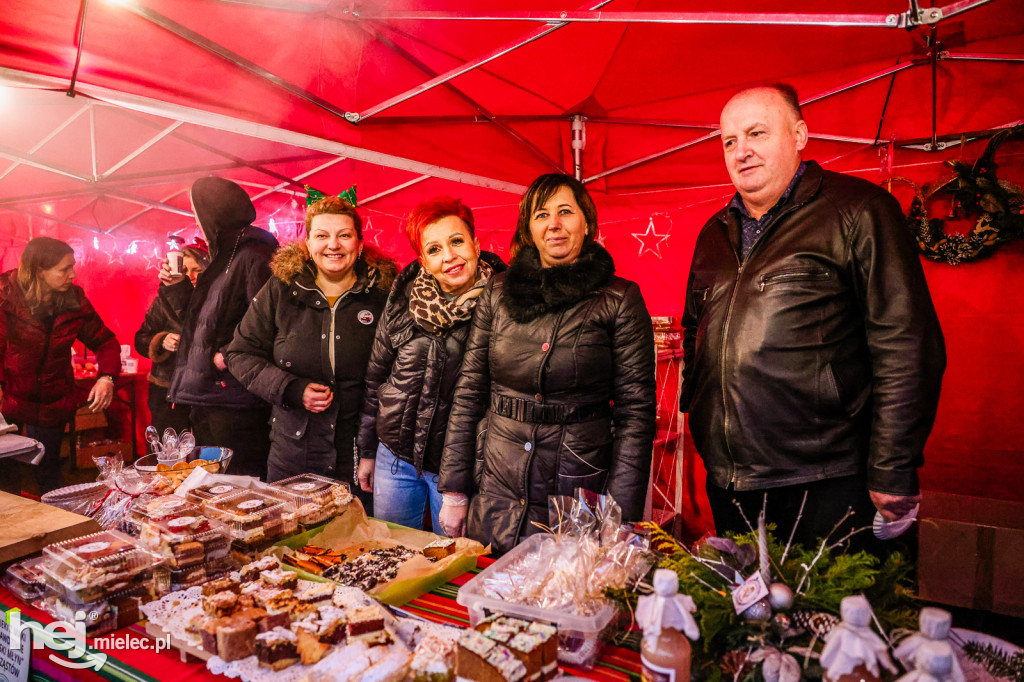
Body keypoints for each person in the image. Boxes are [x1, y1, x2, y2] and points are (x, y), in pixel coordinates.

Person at [680, 83, 947, 550]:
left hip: (827, 478)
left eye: (757, 133)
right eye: (729, 140)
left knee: (834, 599)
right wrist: (698, 411)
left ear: (799, 135)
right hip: (731, 481)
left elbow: (906, 344)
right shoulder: (713, 233)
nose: (741, 151)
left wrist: (892, 465)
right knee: (746, 599)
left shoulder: (859, 210)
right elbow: (693, 331)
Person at [438, 174, 657, 552]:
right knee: (489, 585)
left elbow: (636, 414)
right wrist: (455, 490)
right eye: (541, 214)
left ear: (587, 223)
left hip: (575, 488)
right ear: (529, 228)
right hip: (496, 485)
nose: (553, 223)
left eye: (565, 212)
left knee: (563, 586)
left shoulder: (620, 299)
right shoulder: (498, 291)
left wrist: (619, 516)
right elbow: (470, 388)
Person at [226, 196, 395, 515]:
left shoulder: (382, 295)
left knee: (356, 538)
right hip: (293, 452)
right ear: (308, 244)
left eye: (344, 235)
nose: (333, 245)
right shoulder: (280, 289)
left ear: (359, 244)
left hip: (357, 452)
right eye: (322, 235)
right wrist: (290, 387)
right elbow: (240, 352)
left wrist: (373, 450)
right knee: (292, 532)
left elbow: (395, 375)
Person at [355, 196, 506, 533]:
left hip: (460, 471)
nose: (449, 256)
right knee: (392, 551)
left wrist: (460, 486)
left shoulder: (504, 306)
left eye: (457, 241)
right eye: (434, 249)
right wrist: (367, 451)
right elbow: (376, 379)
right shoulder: (404, 299)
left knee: (454, 558)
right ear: (423, 260)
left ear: (475, 244)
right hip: (394, 458)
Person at [163, 177, 278, 479]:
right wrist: (177, 287)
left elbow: (270, 321)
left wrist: (227, 354)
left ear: (215, 213)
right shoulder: (225, 257)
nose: (197, 221)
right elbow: (203, 324)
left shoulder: (253, 256)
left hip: (236, 400)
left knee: (238, 486)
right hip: (212, 397)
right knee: (213, 486)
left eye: (197, 212)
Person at [0, 237, 120, 494]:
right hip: (8, 399)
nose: (73, 274)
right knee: (6, 477)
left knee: (49, 476)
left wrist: (107, 377)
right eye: (65, 269)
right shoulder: (4, 295)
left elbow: (105, 341)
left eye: (72, 266)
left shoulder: (74, 299)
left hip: (53, 400)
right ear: (39, 271)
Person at [135, 242, 210, 434]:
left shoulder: (214, 300)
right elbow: (141, 339)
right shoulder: (163, 300)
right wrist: (161, 341)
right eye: (185, 271)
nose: (190, 276)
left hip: (204, 389)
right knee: (167, 445)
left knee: (204, 446)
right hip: (167, 387)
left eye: (197, 270)